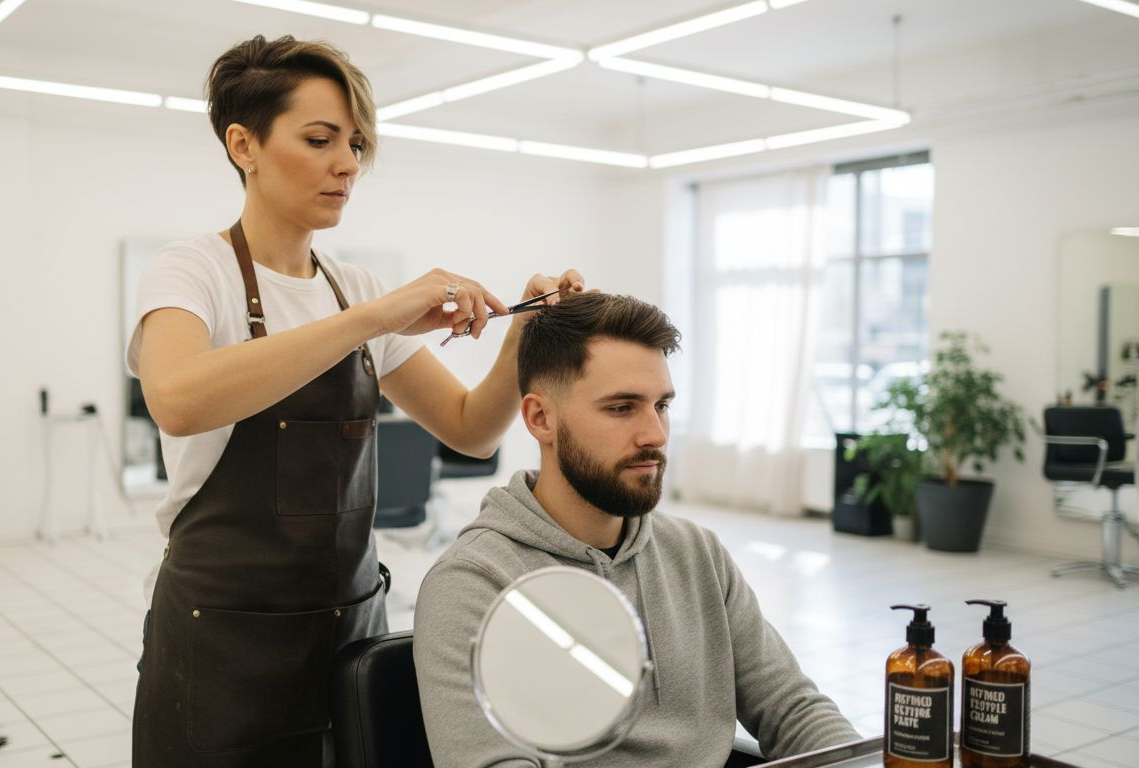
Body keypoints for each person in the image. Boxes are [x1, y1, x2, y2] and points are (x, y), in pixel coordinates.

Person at [127, 35, 584, 767]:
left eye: (356, 143)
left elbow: (471, 430)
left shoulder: (354, 286)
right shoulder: (192, 271)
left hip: (348, 629)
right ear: (243, 144)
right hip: (220, 643)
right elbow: (177, 400)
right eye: (319, 139)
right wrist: (373, 319)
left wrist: (521, 336)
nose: (347, 164)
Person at [413, 292, 859, 767]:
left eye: (661, 405)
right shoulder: (473, 584)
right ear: (540, 419)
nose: (656, 435)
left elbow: (792, 709)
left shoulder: (695, 553)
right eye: (622, 407)